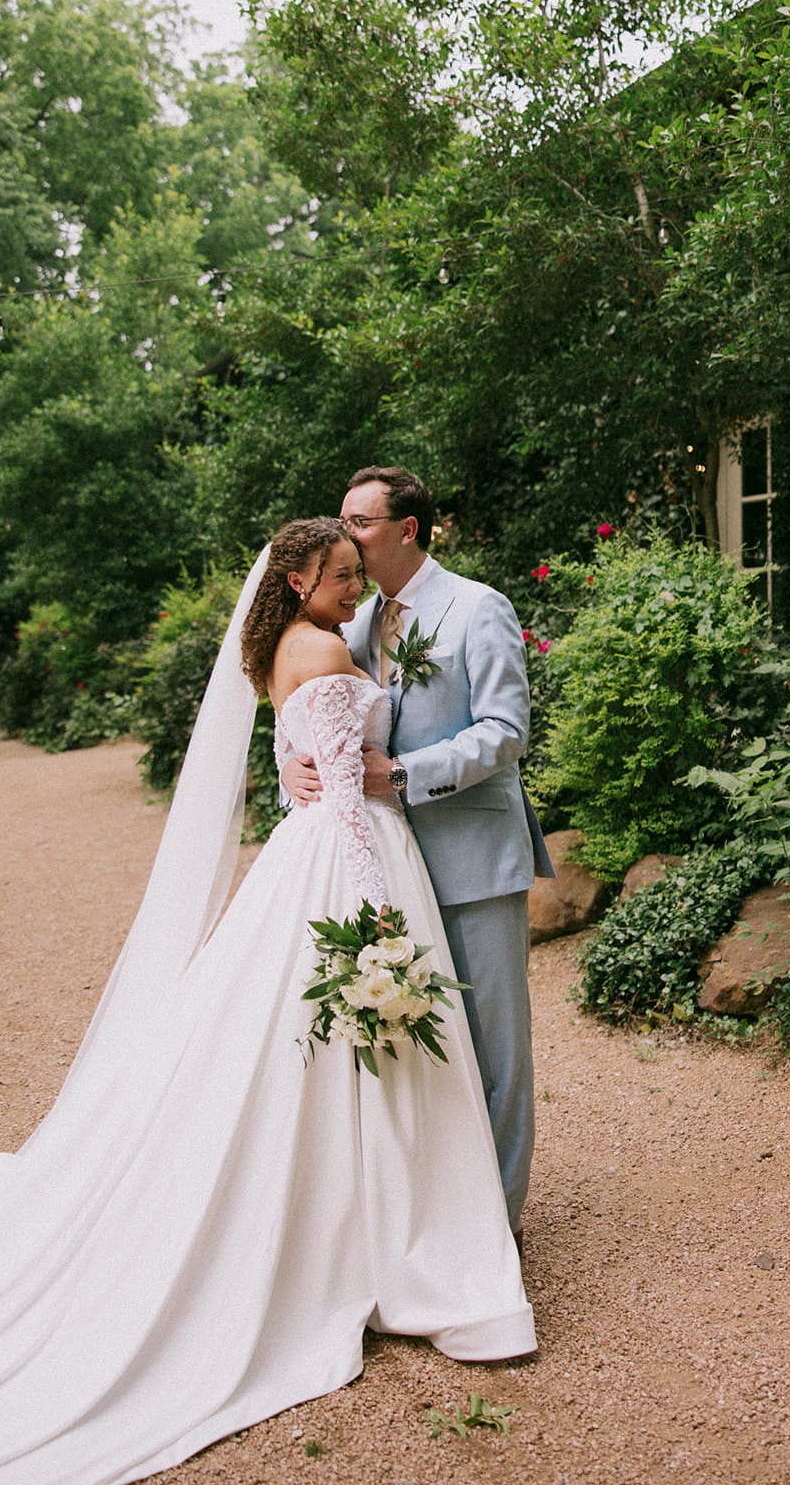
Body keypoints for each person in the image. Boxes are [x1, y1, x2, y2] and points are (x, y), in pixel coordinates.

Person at [0, 517, 534, 1485]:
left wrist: (307, 781)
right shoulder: (319, 643)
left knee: (295, 1046)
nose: (354, 588)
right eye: (339, 573)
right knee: (358, 1034)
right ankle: (379, 1227)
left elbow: (302, 761)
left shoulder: (294, 639)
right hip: (353, 859)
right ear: (296, 575)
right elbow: (339, 788)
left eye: (360, 571)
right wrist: (370, 919)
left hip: (322, 845)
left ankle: (363, 1210)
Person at [282, 470, 553, 1237]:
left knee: (494, 1047)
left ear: (405, 529)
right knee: (417, 1044)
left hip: (470, 858)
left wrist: (403, 774)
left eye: (359, 522)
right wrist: (292, 767)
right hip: (388, 866)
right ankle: (434, 1211)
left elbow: (504, 732)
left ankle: (495, 1225)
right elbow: (323, 722)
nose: (346, 536)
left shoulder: (477, 607)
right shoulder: (355, 622)